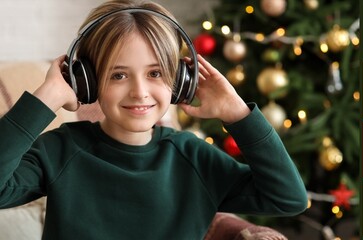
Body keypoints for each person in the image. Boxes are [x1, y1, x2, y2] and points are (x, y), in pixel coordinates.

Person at [0, 0, 308, 239]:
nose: (139, 91)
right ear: (87, 82)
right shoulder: (60, 150)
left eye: (155, 73)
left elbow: (288, 198)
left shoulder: (194, 157)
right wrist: (46, 98)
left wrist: (238, 115)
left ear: (180, 81)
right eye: (118, 75)